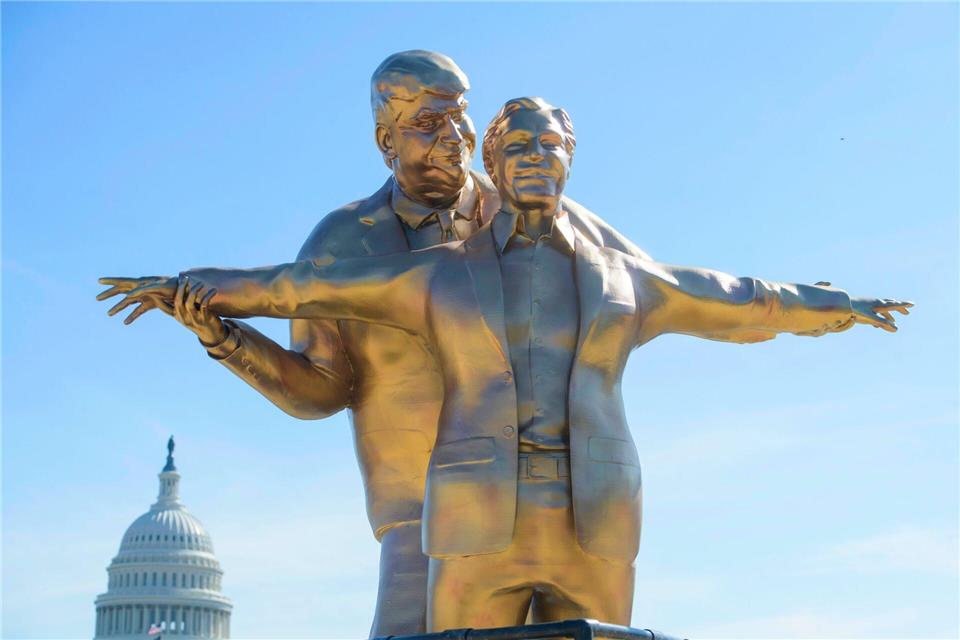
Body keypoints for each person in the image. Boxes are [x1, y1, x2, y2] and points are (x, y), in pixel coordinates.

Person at [105, 96, 911, 631]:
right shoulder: (439, 274)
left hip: (595, 512)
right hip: (472, 514)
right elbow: (298, 286)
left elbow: (740, 299)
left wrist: (832, 307)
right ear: (494, 162)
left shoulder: (626, 277)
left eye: (548, 145)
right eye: (514, 145)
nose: (533, 157)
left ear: (569, 159)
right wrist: (192, 290)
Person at [98, 56, 650, 637]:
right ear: (387, 140)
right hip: (415, 514)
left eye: (460, 118)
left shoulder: (539, 212)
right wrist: (223, 335)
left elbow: (646, 285)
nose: (454, 139)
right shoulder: (343, 241)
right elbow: (319, 390)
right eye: (428, 123)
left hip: (554, 501)